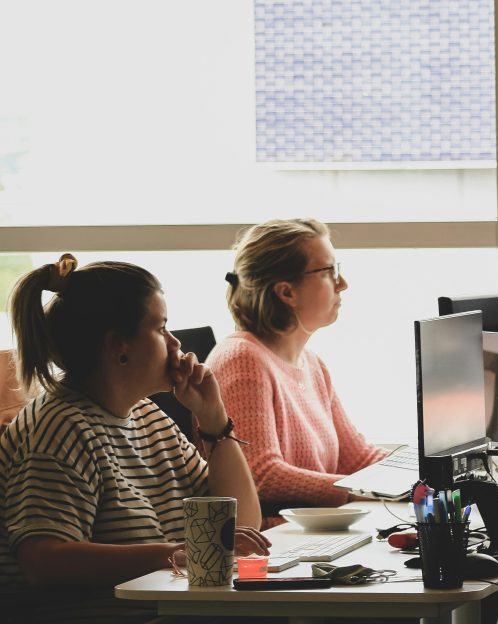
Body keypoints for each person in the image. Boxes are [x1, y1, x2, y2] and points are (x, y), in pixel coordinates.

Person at [0, 255, 269, 623]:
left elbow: (240, 525)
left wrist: (214, 420)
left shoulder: (147, 416)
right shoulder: (58, 428)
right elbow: (43, 559)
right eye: (161, 328)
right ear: (118, 346)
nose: (175, 342)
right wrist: (174, 552)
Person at [209, 219, 387, 525]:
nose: (342, 283)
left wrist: (424, 472)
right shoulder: (242, 360)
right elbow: (261, 474)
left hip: (315, 533)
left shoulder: (312, 364)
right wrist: (357, 491)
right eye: (329, 271)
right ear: (286, 292)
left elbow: (358, 458)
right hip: (273, 543)